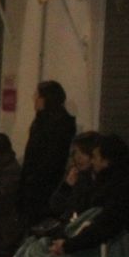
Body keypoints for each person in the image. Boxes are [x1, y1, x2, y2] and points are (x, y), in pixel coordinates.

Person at [16, 80, 77, 230]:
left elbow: (50, 159)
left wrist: (32, 179)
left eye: (37, 96)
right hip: (34, 182)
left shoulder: (58, 124)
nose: (34, 99)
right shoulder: (42, 119)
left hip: (43, 184)